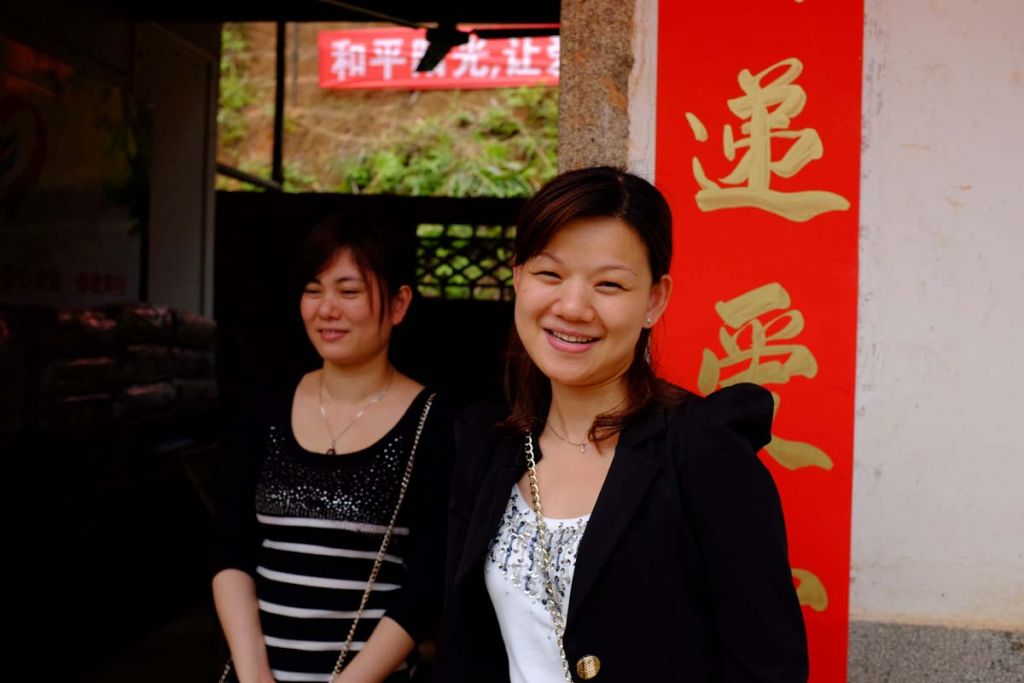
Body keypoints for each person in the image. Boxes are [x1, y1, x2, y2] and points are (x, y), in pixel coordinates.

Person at [440, 167, 808, 682]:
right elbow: (463, 649)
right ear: (518, 276)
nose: (573, 307)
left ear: (654, 300)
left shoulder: (703, 451)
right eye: (550, 274)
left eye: (609, 284)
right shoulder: (488, 444)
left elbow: (768, 668)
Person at [213, 216, 453, 683]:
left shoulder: (434, 424)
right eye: (313, 290)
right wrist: (253, 673)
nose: (326, 309)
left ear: (399, 304)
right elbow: (231, 549)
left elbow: (427, 581)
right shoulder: (265, 409)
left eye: (349, 291)